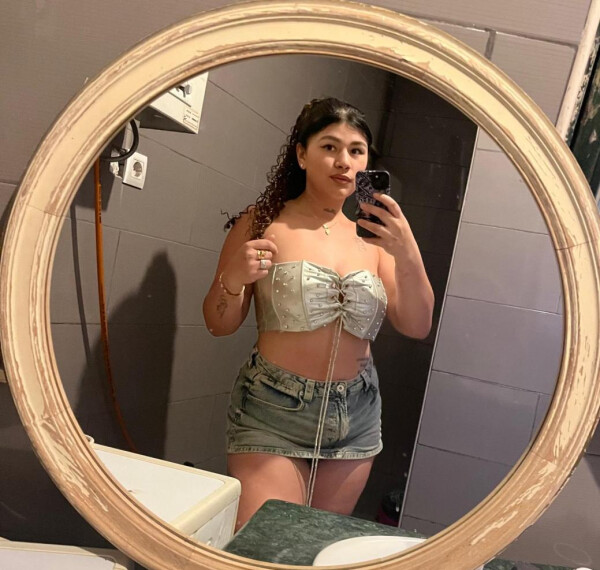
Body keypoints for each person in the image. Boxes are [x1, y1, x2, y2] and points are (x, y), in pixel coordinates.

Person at [202, 97, 434, 530]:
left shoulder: (378, 240)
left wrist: (408, 250)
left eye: (356, 151)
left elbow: (417, 324)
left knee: (313, 547)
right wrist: (232, 279)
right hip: (273, 409)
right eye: (329, 147)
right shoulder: (262, 223)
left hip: (356, 415)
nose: (344, 161)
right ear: (302, 154)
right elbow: (219, 323)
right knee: (265, 546)